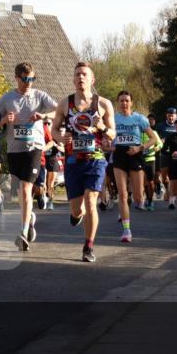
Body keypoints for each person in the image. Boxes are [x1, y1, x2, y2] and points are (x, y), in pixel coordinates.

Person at [52, 62, 115, 262]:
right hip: (73, 160)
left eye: (84, 74)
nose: (81, 77)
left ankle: (88, 247)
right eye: (77, 74)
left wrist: (103, 127)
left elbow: (113, 133)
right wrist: (60, 138)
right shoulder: (65, 103)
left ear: (92, 79)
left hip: (95, 158)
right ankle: (76, 215)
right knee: (77, 209)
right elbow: (54, 129)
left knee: (91, 201)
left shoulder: (103, 104)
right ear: (73, 79)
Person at [0, 63, 58, 252]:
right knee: (23, 192)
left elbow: (61, 111)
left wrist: (44, 116)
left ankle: (22, 232)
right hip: (15, 150)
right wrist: (5, 120)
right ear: (17, 78)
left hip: (34, 148)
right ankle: (29, 218)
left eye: (32, 79)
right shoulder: (6, 99)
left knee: (26, 187)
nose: (29, 83)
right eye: (25, 79)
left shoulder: (39, 96)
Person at [112, 91, 160, 242]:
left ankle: (136, 199)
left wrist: (140, 148)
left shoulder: (139, 118)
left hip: (135, 154)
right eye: (121, 101)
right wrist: (108, 145)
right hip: (119, 155)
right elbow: (108, 138)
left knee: (139, 197)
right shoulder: (113, 119)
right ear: (117, 103)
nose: (124, 103)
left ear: (131, 102)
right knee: (122, 194)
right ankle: (127, 231)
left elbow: (153, 139)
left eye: (127, 100)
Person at [156, 108, 177, 206]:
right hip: (164, 153)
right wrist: (159, 141)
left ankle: (174, 195)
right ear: (166, 116)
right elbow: (154, 137)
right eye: (169, 115)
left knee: (175, 176)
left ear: (175, 116)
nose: (171, 117)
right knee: (164, 176)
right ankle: (167, 189)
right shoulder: (160, 126)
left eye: (173, 115)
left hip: (176, 154)